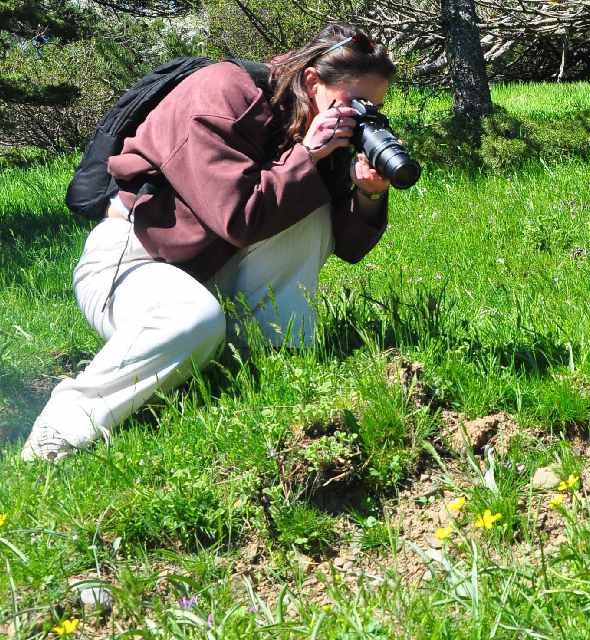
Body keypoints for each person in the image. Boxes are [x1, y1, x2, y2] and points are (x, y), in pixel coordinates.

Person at [22, 25, 396, 461]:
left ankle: (264, 363)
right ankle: (59, 432)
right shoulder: (220, 93)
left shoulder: (319, 122)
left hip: (215, 264)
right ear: (312, 82)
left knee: (308, 207)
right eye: (352, 101)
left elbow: (347, 247)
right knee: (192, 320)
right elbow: (238, 216)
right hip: (136, 258)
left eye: (373, 107)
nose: (359, 115)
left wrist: (369, 192)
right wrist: (307, 157)